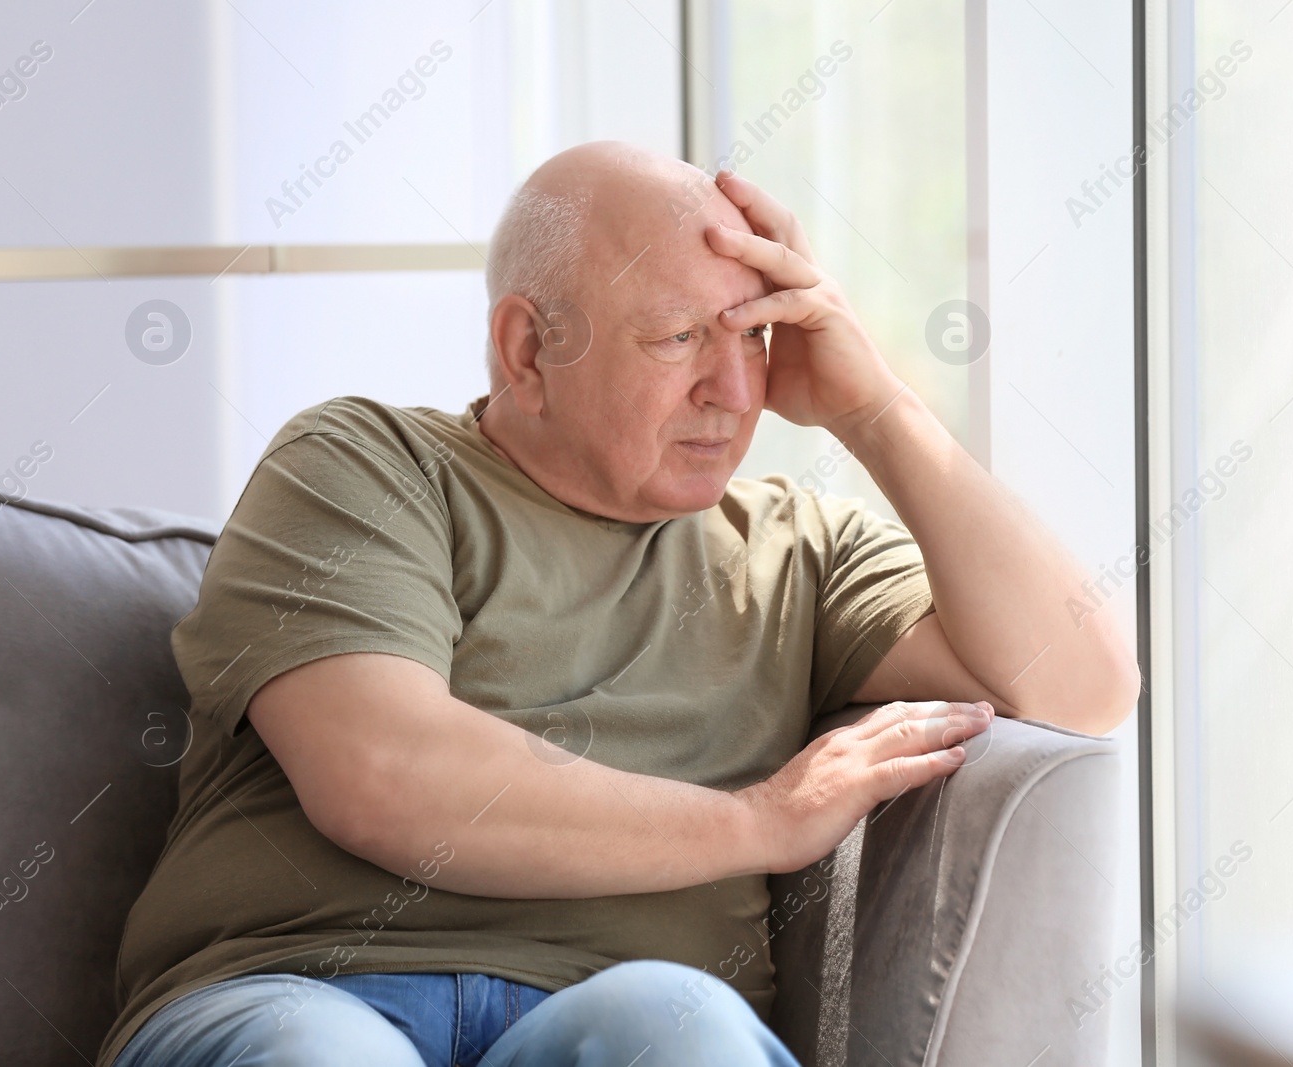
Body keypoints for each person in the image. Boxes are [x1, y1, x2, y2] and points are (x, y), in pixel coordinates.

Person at [96, 140, 1139, 1067]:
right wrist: (756, 822)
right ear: (527, 350)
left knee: (675, 1015)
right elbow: (386, 776)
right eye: (680, 337)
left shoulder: (796, 549)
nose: (733, 390)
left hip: (614, 1019)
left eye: (754, 336)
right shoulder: (365, 465)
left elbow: (1085, 684)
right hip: (303, 988)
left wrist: (875, 407)